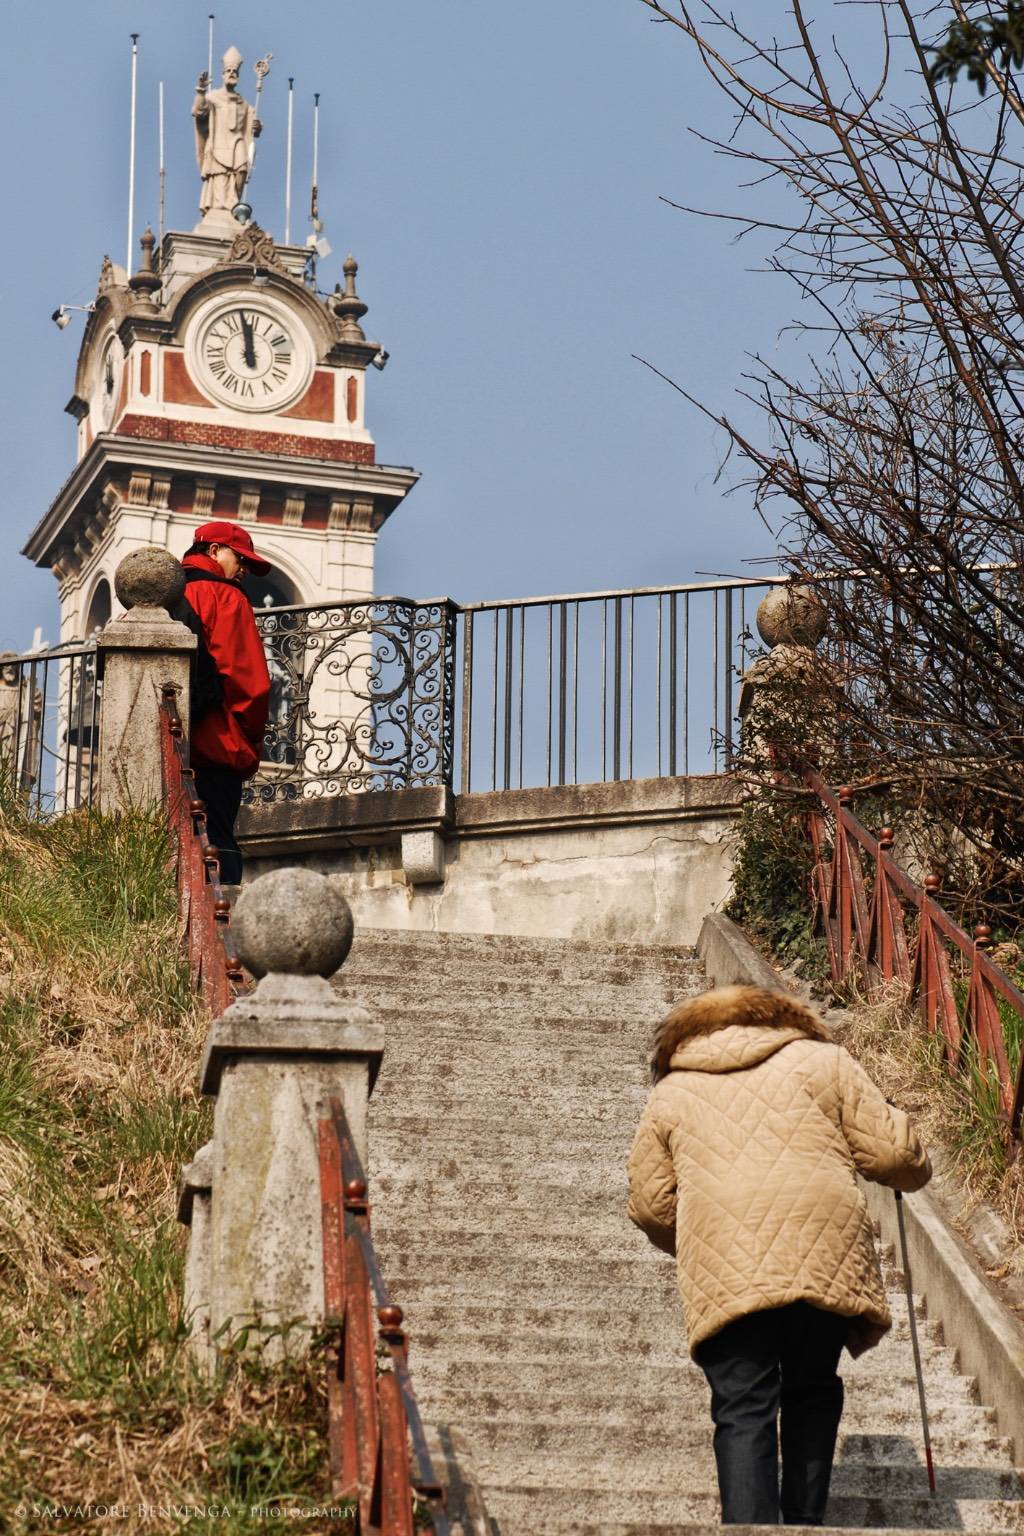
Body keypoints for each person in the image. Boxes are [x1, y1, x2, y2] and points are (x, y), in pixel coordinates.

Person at [627, 984, 931, 1528]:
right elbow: (893, 1155)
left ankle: (750, 1525)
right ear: (783, 1018)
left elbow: (650, 1205)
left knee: (742, 1407)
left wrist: (701, 1232)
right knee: (812, 1388)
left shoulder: (671, 1092)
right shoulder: (824, 1061)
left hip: (727, 1264)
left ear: (690, 1033)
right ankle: (803, 1521)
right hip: (823, 1246)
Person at [174, 521, 272, 886]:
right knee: (219, 847)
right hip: (216, 745)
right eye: (240, 559)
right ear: (214, 551)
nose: (244, 569)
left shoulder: (168, 596)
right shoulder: (227, 597)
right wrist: (247, 741)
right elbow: (250, 683)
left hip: (167, 746)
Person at [192, 46, 261, 221]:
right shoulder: (213, 97)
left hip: (237, 142)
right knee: (220, 177)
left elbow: (251, 126)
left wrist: (256, 126)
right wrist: (201, 90)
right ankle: (220, 207)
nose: (231, 73)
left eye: (234, 71)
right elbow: (199, 112)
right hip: (218, 144)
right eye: (228, 70)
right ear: (222, 75)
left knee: (241, 169)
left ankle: (234, 201)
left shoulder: (244, 104)